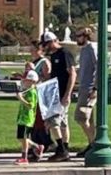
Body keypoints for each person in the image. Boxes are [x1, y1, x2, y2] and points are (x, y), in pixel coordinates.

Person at [41, 31, 76, 162]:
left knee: (54, 121)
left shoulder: (64, 54)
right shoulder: (54, 55)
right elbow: (56, 75)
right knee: (62, 123)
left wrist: (67, 94)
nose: (46, 47)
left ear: (53, 42)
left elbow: (72, 74)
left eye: (47, 44)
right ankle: (64, 150)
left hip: (62, 94)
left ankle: (61, 149)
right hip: (56, 92)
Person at [74, 27, 98, 158]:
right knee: (89, 120)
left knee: (80, 117)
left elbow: (99, 67)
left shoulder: (92, 48)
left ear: (85, 36)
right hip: (83, 87)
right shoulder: (83, 50)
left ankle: (94, 144)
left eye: (78, 36)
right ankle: (91, 144)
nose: (76, 38)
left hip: (89, 89)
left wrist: (95, 88)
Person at [28, 41, 53, 158]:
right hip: (32, 94)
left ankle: (45, 142)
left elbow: (47, 79)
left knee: (40, 120)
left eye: (33, 49)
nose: (31, 51)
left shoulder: (44, 62)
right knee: (33, 120)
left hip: (40, 94)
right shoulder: (33, 62)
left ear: (40, 50)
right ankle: (35, 145)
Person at [15, 70, 44, 165]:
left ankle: (24, 157)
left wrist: (20, 98)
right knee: (20, 138)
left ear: (32, 81)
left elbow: (30, 105)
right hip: (22, 118)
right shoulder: (27, 91)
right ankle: (37, 146)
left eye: (26, 80)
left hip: (27, 119)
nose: (23, 82)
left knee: (24, 138)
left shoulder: (32, 92)